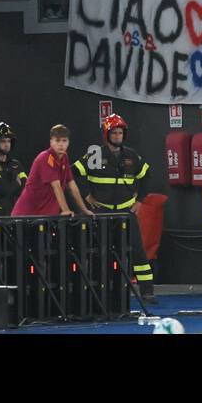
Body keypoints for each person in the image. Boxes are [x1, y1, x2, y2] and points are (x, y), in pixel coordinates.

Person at [74, 114, 155, 303]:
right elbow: (72, 173)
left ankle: (147, 291)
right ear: (106, 134)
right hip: (102, 212)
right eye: (114, 133)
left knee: (138, 251)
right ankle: (99, 291)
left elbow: (147, 176)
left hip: (126, 212)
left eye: (120, 133)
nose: (118, 136)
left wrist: (140, 201)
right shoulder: (95, 154)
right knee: (100, 252)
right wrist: (86, 194)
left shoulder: (132, 156)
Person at [12, 125, 93, 217]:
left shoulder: (64, 157)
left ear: (68, 142)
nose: (61, 144)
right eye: (57, 140)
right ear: (51, 142)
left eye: (64, 141)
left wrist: (84, 210)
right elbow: (56, 186)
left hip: (45, 217)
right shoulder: (45, 157)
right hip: (26, 216)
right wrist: (66, 210)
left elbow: (72, 185)